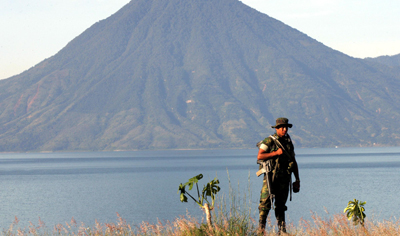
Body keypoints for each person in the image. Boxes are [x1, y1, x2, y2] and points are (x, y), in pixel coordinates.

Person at [257, 117, 300, 234]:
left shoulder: (289, 142)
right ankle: (261, 231)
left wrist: (297, 179)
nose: (284, 129)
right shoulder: (269, 141)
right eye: (282, 127)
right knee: (265, 204)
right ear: (277, 128)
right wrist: (276, 153)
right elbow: (260, 156)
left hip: (284, 179)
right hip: (271, 178)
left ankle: (282, 231)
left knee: (281, 206)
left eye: (286, 127)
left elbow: (293, 161)